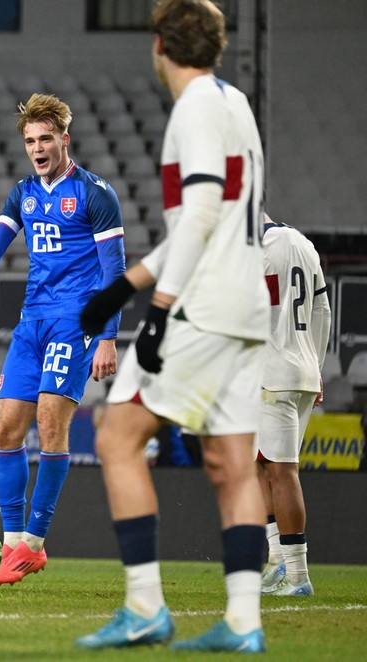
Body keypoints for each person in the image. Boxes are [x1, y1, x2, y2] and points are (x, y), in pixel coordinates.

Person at [77, 0, 269, 652]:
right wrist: (122, 286)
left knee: (117, 436)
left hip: (204, 306)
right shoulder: (235, 102)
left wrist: (157, 309)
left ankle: (144, 608)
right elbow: (206, 220)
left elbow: (204, 209)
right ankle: (244, 622)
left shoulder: (192, 109)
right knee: (232, 462)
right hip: (247, 305)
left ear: (158, 44)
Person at [0, 93, 126, 588]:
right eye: (30, 141)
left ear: (65, 139)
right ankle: (14, 543)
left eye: (45, 139)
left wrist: (107, 338)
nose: (37, 148)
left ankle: (33, 544)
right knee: (5, 429)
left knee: (48, 424)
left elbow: (115, 272)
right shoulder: (23, 193)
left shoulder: (94, 194)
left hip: (75, 324)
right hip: (31, 323)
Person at [257, 215, 331, 597]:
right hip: (300, 370)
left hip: (272, 373)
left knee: (283, 471)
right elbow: (323, 312)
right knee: (261, 464)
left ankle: (298, 575)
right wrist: (315, 367)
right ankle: (277, 561)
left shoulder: (260, 249)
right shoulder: (303, 244)